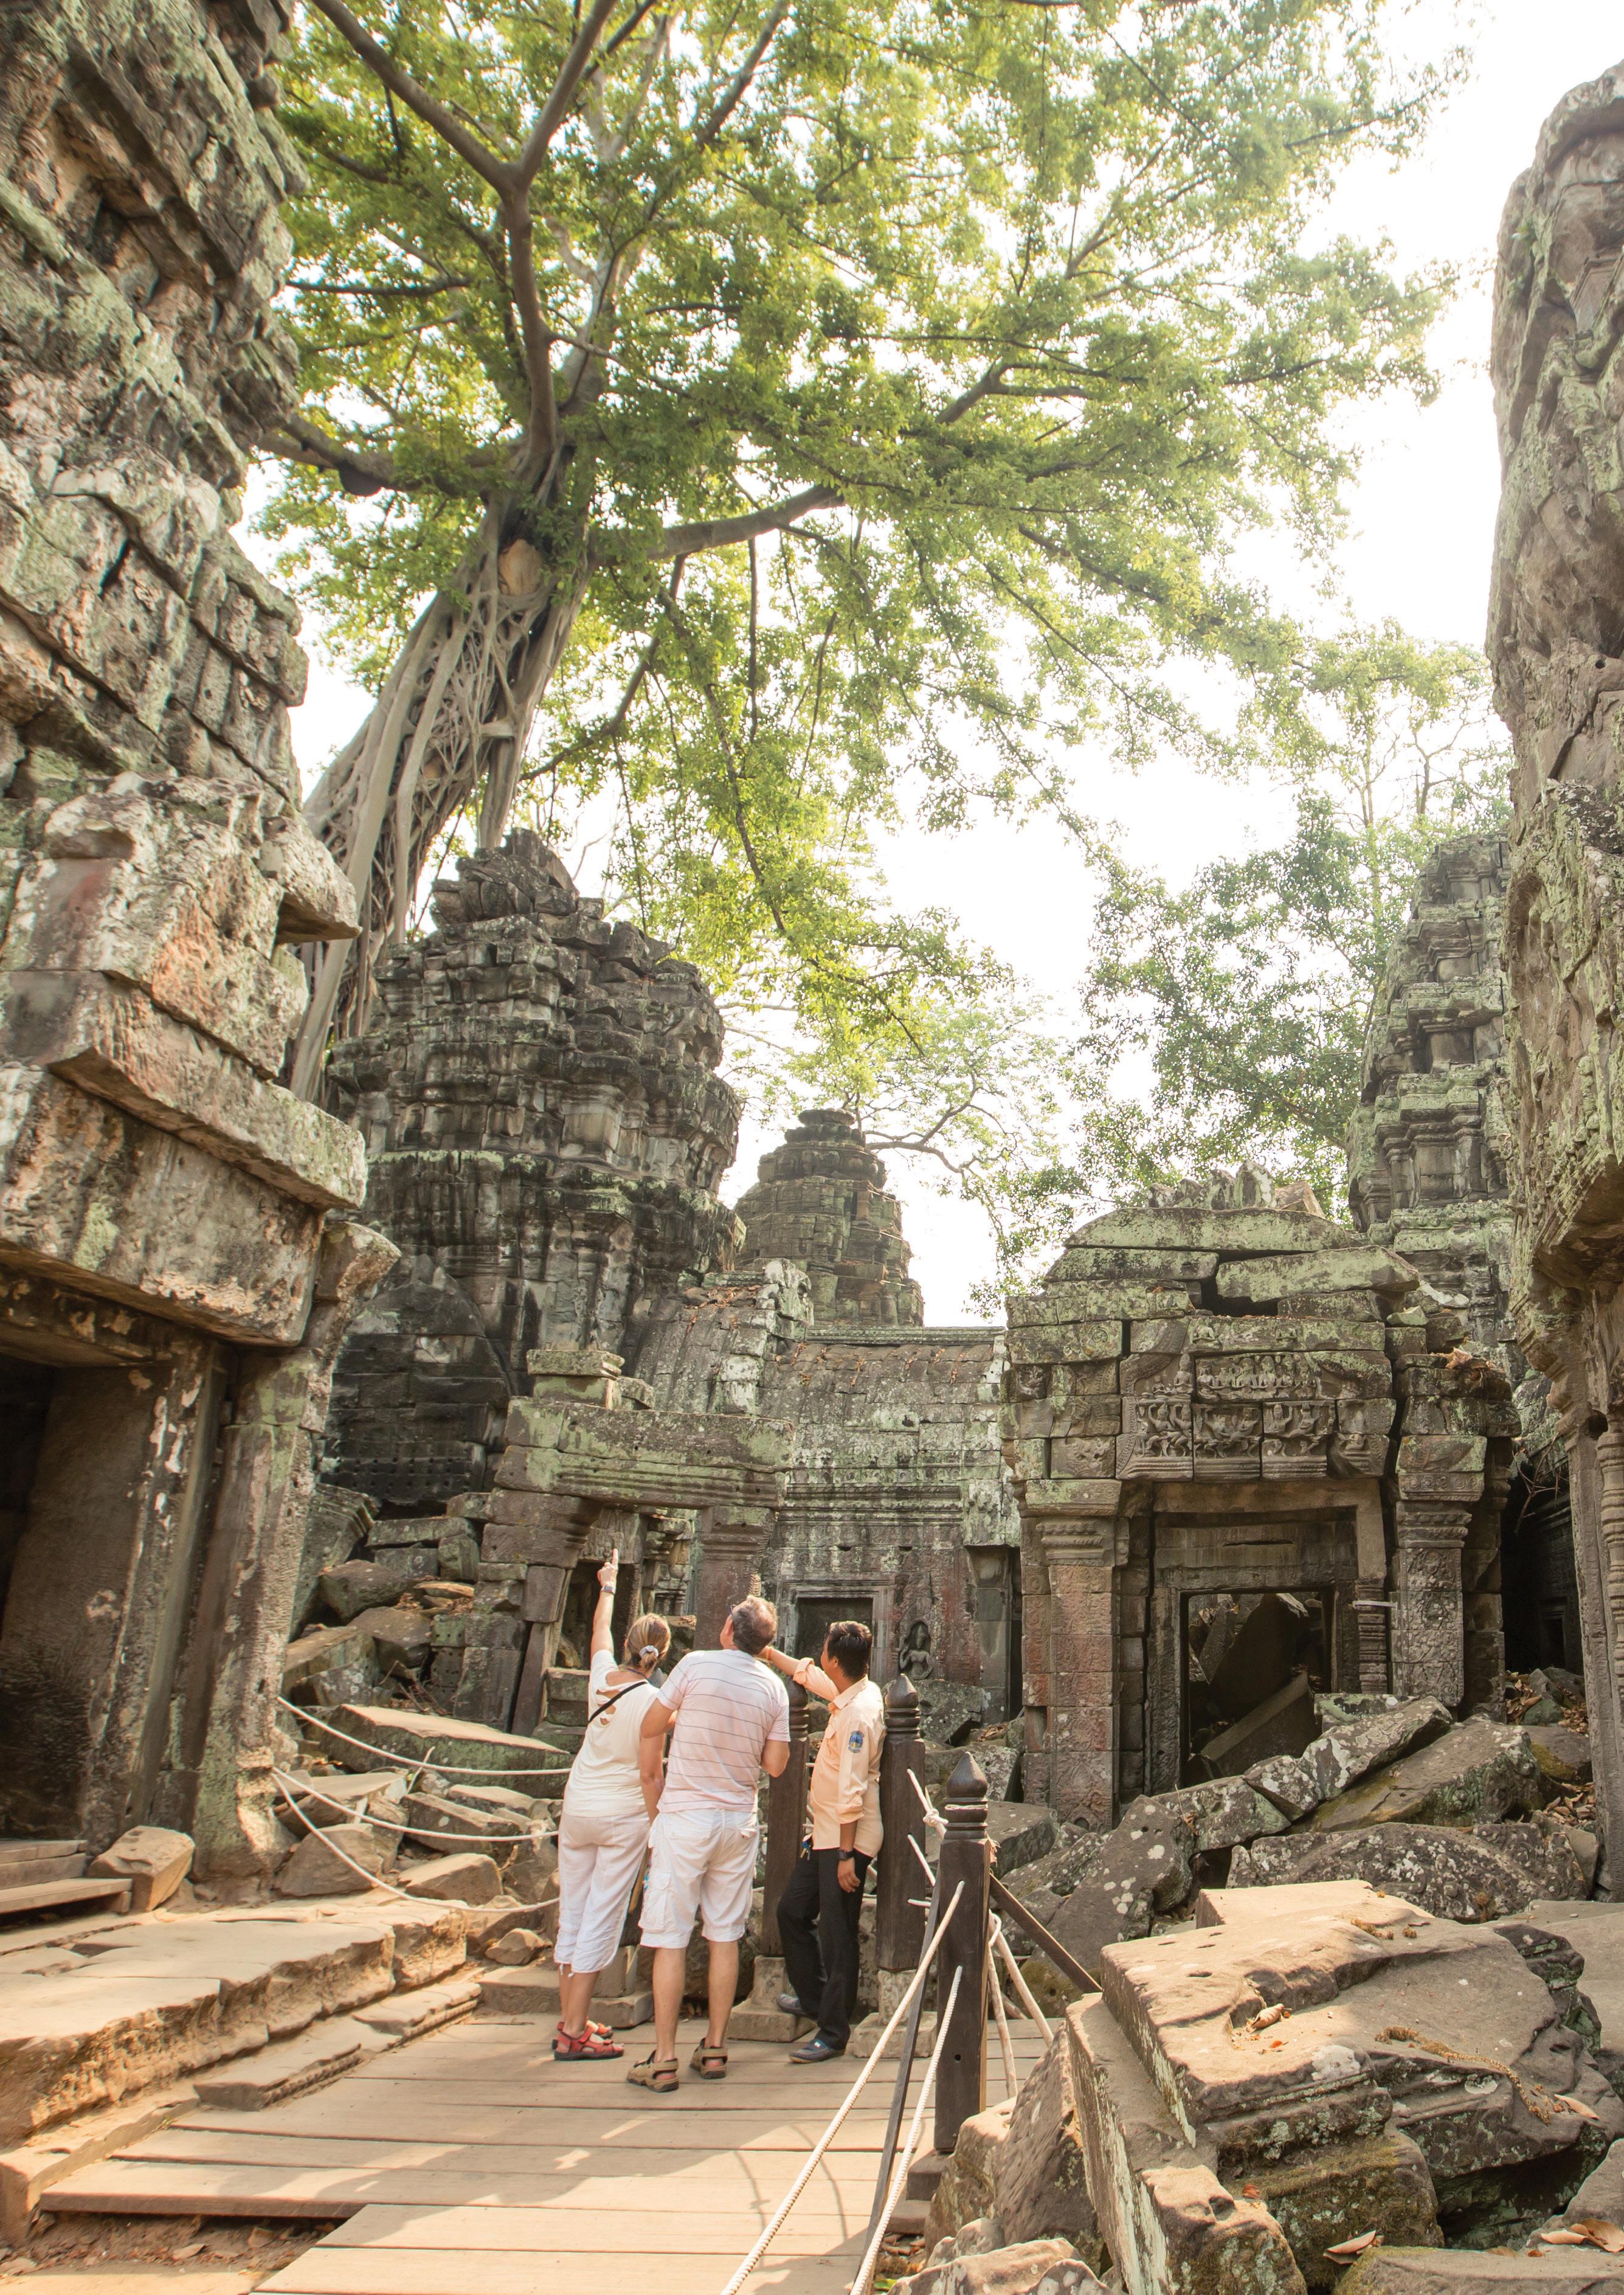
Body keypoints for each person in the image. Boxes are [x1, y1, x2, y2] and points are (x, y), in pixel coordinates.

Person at [629, 1593, 791, 2092]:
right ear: (765, 1645)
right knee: (724, 1935)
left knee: (670, 1937)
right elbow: (776, 1765)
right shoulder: (774, 1687)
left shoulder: (695, 1665)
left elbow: (650, 1725)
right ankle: (716, 2047)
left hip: (685, 1817)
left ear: (726, 1630)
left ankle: (663, 2058)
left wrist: (692, 1715)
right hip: (736, 1821)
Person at [552, 1549, 671, 2061]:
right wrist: (658, 1825)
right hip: (623, 1815)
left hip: (578, 1807)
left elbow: (598, 1630)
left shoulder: (600, 1677)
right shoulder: (655, 1704)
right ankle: (573, 2031)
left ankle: (570, 2020)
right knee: (601, 1917)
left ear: (628, 1645)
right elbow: (650, 1773)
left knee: (572, 1913)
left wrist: (609, 1583)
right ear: (660, 1657)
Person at [761, 1619, 884, 2062]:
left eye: (824, 1649)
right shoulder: (852, 1691)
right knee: (791, 1911)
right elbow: (810, 1677)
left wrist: (847, 1856)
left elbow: (852, 1790)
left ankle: (833, 2032)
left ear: (834, 1659)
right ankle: (815, 1999)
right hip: (827, 1835)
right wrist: (769, 1654)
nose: (821, 1656)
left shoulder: (858, 1714)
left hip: (848, 1839)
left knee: (838, 1933)